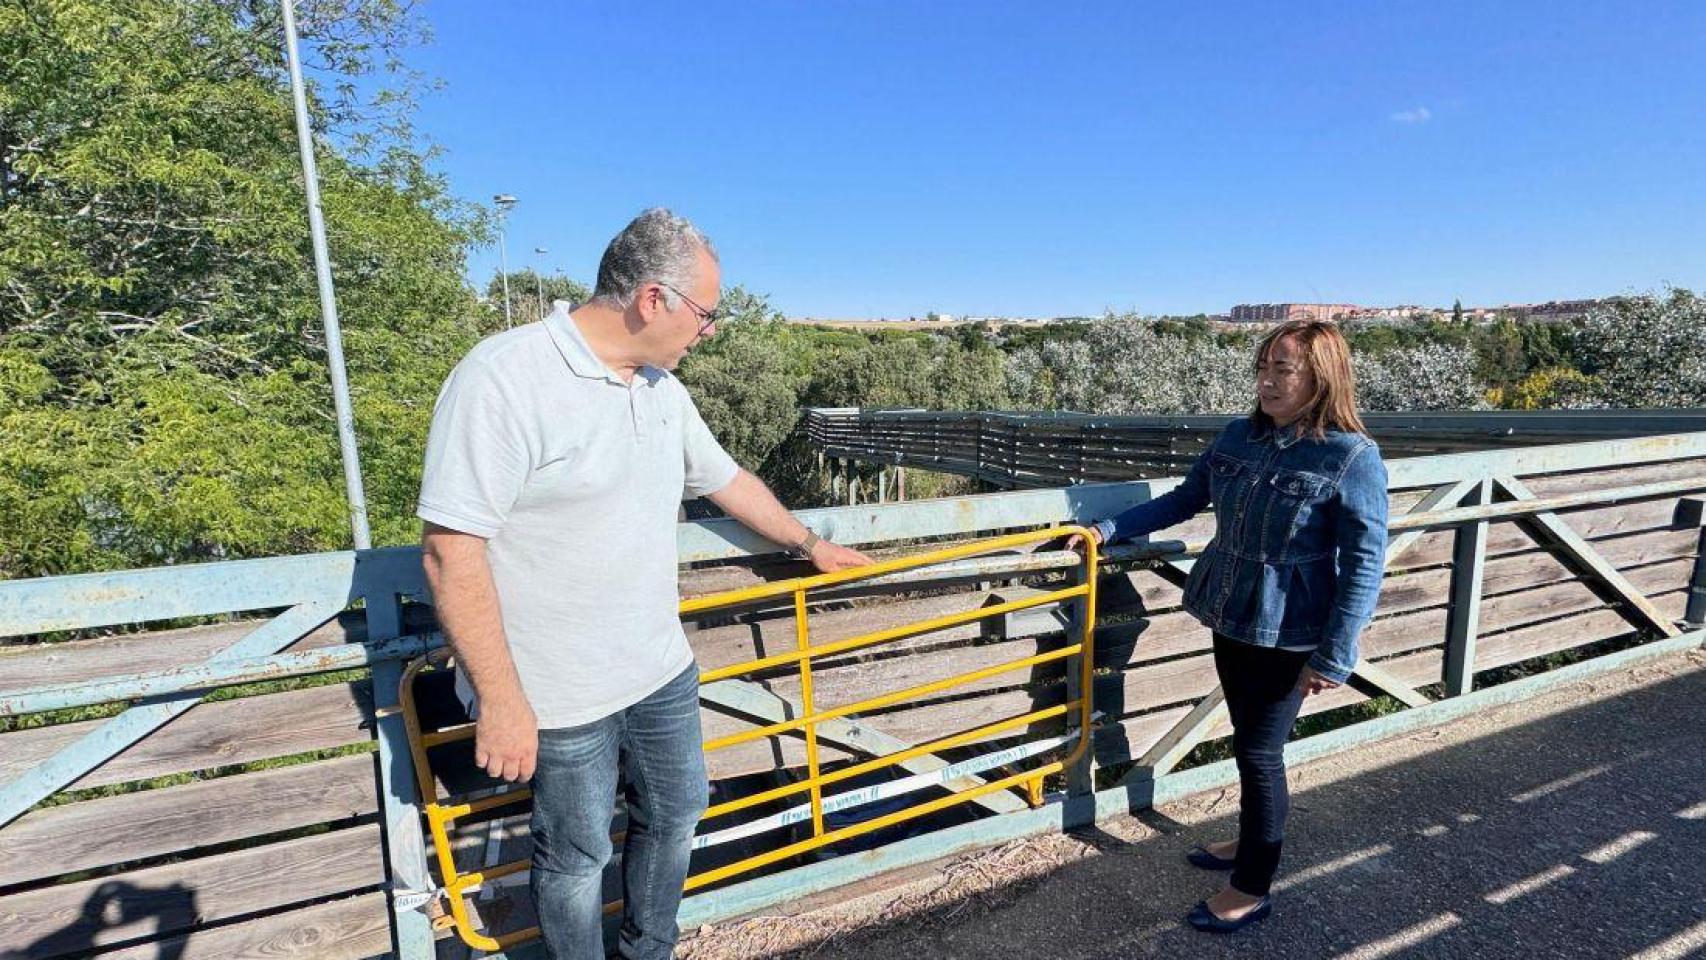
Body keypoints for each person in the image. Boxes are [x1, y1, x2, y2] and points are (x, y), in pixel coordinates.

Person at [418, 208, 871, 959]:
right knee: (576, 858)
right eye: (706, 314)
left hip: (659, 668)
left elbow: (727, 480)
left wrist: (810, 544)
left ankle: (648, 951)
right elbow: (449, 551)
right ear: (653, 299)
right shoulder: (504, 377)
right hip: (555, 692)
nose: (710, 330)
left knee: (678, 812)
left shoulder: (662, 389)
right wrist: (500, 699)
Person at [1075, 319, 1389, 933]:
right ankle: (1247, 844)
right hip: (1230, 613)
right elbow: (1184, 499)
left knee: (1260, 751)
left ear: (1322, 377)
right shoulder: (1238, 436)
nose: (1267, 382)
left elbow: (1365, 563)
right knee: (1248, 739)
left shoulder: (1351, 456)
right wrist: (1108, 529)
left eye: (1283, 370)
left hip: (1292, 629)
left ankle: (1252, 885)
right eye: (1263, 368)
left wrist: (1334, 655)